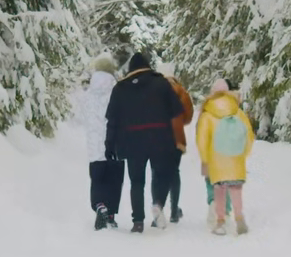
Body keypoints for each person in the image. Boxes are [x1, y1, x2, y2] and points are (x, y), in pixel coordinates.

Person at [104, 52, 191, 232]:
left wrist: (109, 145)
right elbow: (176, 111)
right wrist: (177, 139)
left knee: (137, 182)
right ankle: (158, 203)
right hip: (160, 139)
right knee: (160, 175)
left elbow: (112, 120)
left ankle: (137, 222)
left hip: (132, 141)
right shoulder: (162, 84)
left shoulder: (120, 88)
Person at [195, 78, 255, 235]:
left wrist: (205, 158)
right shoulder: (237, 111)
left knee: (219, 191)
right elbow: (248, 135)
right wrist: (243, 153)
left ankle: (220, 223)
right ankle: (239, 219)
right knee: (236, 190)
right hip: (235, 159)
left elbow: (202, 139)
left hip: (217, 160)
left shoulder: (208, 113)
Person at [80, 54, 122, 229]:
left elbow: (84, 115)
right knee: (115, 180)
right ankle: (110, 214)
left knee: (97, 179)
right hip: (115, 144)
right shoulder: (117, 91)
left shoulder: (89, 94)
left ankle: (100, 206)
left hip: (95, 145)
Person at [161, 65, 196, 226]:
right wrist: (179, 121)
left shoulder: (155, 91)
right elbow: (188, 116)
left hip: (158, 138)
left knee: (158, 173)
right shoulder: (181, 91)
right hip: (177, 139)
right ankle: (174, 210)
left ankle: (159, 207)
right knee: (174, 172)